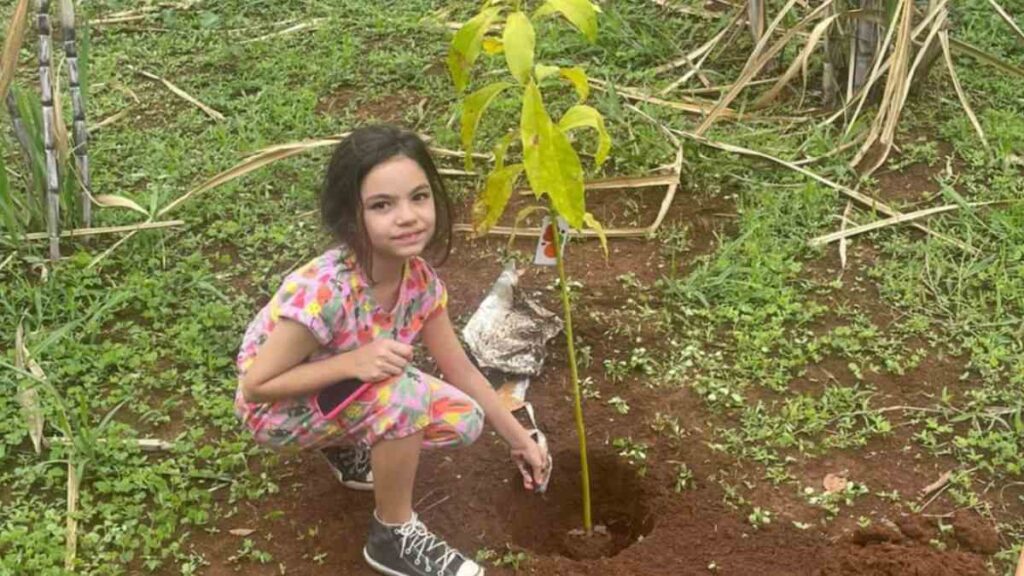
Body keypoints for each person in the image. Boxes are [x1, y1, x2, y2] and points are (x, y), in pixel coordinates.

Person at [234, 125, 550, 576]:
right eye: (382, 205)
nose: (408, 216)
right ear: (351, 217)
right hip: (277, 407)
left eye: (419, 197)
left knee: (465, 419)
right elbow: (256, 387)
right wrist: (352, 363)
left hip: (341, 390)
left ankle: (344, 443)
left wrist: (521, 440)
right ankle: (393, 534)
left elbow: (459, 368)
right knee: (403, 397)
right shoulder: (326, 291)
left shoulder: (419, 282)